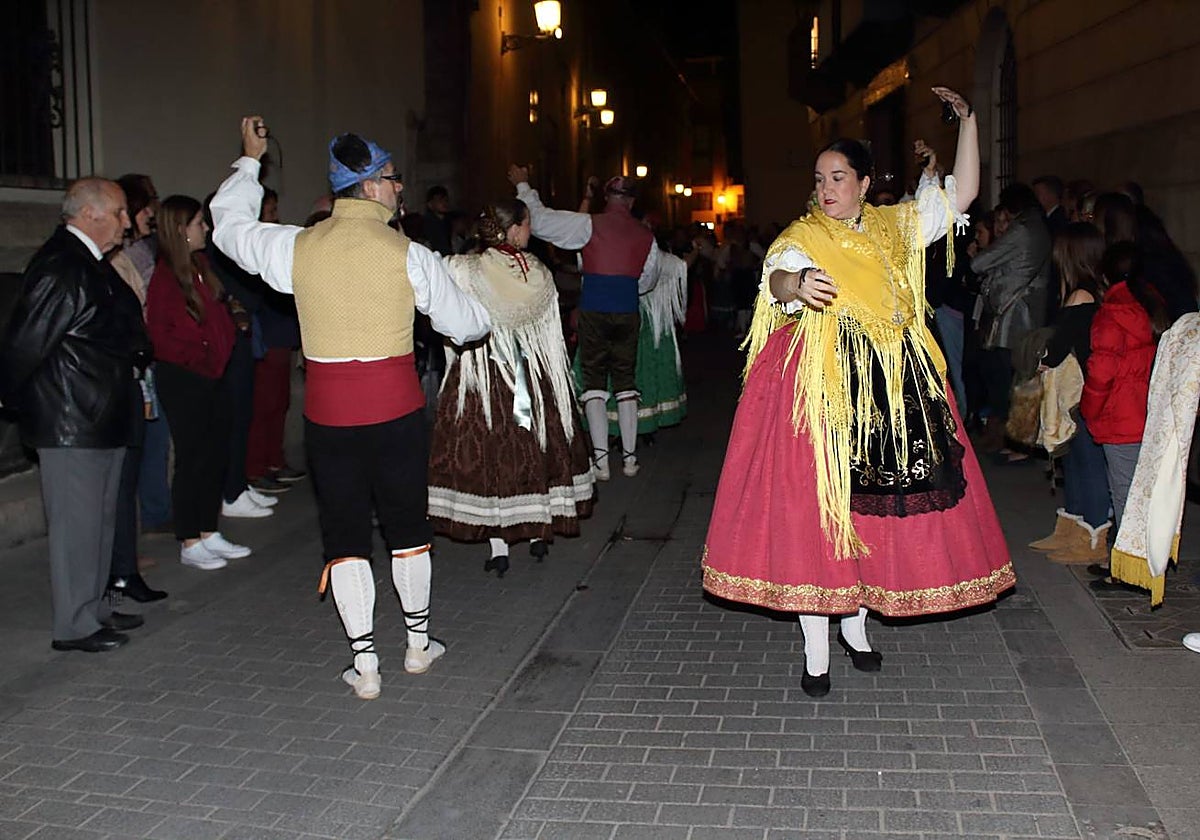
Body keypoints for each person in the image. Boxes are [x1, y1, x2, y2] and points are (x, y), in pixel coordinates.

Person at [701, 87, 1014, 698]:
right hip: (820, 384)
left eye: (838, 177)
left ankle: (858, 625)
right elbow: (778, 274)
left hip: (894, 383)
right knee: (819, 513)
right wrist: (799, 282)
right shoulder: (804, 234)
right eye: (820, 178)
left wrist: (971, 124)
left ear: (865, 183)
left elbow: (964, 194)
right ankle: (816, 643)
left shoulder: (896, 225)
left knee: (873, 510)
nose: (826, 189)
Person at [211, 116, 490, 701]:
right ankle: (417, 645)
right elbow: (468, 327)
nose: (399, 189)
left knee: (343, 535)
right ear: (368, 186)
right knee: (407, 527)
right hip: (395, 414)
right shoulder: (409, 254)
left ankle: (364, 665)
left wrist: (249, 160)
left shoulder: (296, 245)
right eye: (392, 179)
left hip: (330, 420)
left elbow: (227, 225)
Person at [0, 178, 148, 651]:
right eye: (121, 212)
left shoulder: (89, 262)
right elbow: (27, 341)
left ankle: (95, 606)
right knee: (76, 527)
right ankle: (74, 624)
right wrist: (14, 400)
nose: (128, 222)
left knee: (99, 523)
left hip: (97, 413)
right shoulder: (62, 265)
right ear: (90, 214)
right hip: (72, 419)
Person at [428, 200, 595, 576]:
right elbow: (551, 324)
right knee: (535, 446)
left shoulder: (464, 268)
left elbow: (435, 289)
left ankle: (498, 544)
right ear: (515, 229)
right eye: (527, 224)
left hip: (482, 374)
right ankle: (536, 531)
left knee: (490, 451)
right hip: (532, 373)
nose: (530, 231)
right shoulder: (537, 271)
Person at [507, 166, 660, 481]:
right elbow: (648, 279)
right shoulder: (647, 236)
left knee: (593, 382)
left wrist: (524, 185)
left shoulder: (589, 224)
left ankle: (602, 462)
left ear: (607, 198)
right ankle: (630, 460)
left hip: (594, 310)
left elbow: (542, 221)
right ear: (631, 202)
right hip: (627, 310)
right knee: (626, 381)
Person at [146, 196, 251, 570]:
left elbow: (217, 316)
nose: (204, 228)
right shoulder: (165, 277)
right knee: (193, 458)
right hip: (186, 378)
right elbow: (162, 335)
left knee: (215, 454)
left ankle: (209, 529)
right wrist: (203, 357)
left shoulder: (200, 266)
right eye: (197, 223)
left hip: (212, 375)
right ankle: (189, 538)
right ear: (180, 229)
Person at [1081, 242, 1172, 592]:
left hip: (1120, 416)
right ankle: (1123, 561)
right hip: (1148, 411)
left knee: (1125, 495)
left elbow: (1101, 371)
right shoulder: (1150, 306)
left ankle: (1133, 572)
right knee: (1139, 492)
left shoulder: (1112, 313)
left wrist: (1089, 410)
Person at [1028, 223, 1111, 563]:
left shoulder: (1081, 295)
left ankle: (1093, 539)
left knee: (1087, 464)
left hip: (1083, 392)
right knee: (1074, 460)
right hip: (1088, 390)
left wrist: (1041, 359)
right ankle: (1072, 529)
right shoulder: (1095, 290)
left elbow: (1059, 348)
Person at [106, 174, 169, 603]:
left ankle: (126, 558)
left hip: (137, 373)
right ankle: (119, 564)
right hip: (121, 378)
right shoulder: (113, 262)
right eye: (126, 212)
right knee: (122, 474)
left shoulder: (136, 255)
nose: (131, 221)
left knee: (142, 456)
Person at [970, 182, 1052, 453]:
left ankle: (1015, 440)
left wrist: (980, 259)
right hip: (1022, 311)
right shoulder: (1038, 226)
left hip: (1013, 313)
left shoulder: (1024, 229)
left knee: (1009, 379)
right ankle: (1013, 439)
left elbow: (981, 263)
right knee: (1015, 378)